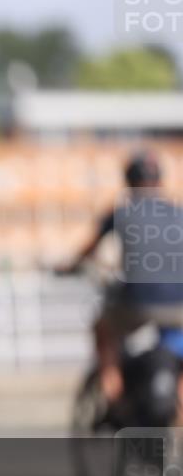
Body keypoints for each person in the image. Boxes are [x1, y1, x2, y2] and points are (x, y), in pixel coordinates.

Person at [65, 149, 183, 409]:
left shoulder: (120, 213)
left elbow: (87, 251)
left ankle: (112, 386)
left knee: (103, 329)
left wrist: (67, 267)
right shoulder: (179, 214)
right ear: (160, 181)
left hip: (136, 302)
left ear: (128, 181)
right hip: (179, 305)